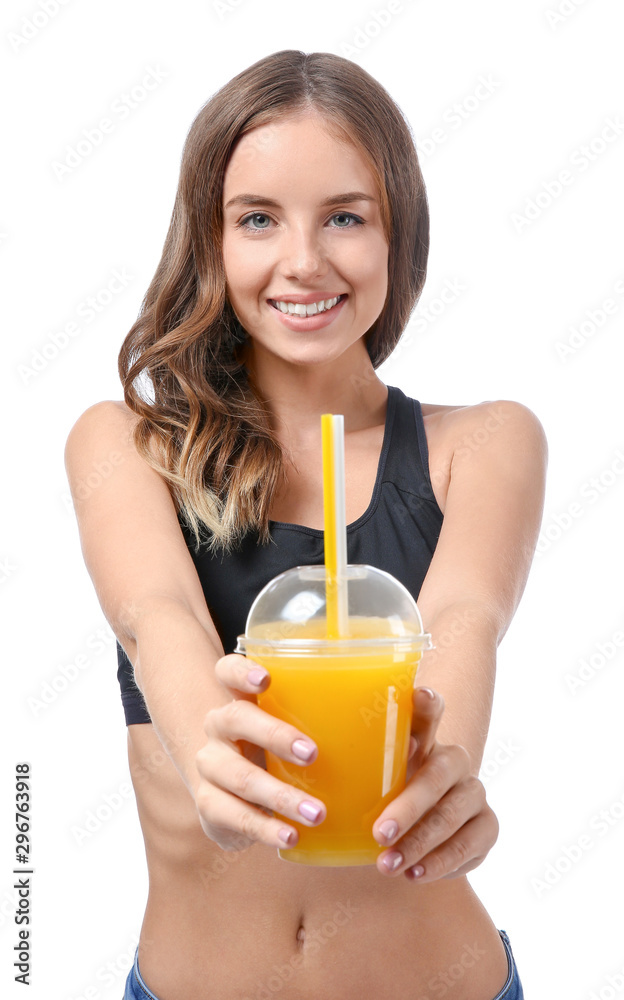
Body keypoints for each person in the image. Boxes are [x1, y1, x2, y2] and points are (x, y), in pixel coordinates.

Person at [64, 49, 546, 1000]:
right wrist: (219, 755)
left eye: (345, 217)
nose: (304, 261)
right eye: (257, 219)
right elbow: (155, 614)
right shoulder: (125, 444)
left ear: (396, 232)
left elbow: (461, 624)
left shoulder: (486, 443)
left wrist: (439, 778)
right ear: (210, 240)